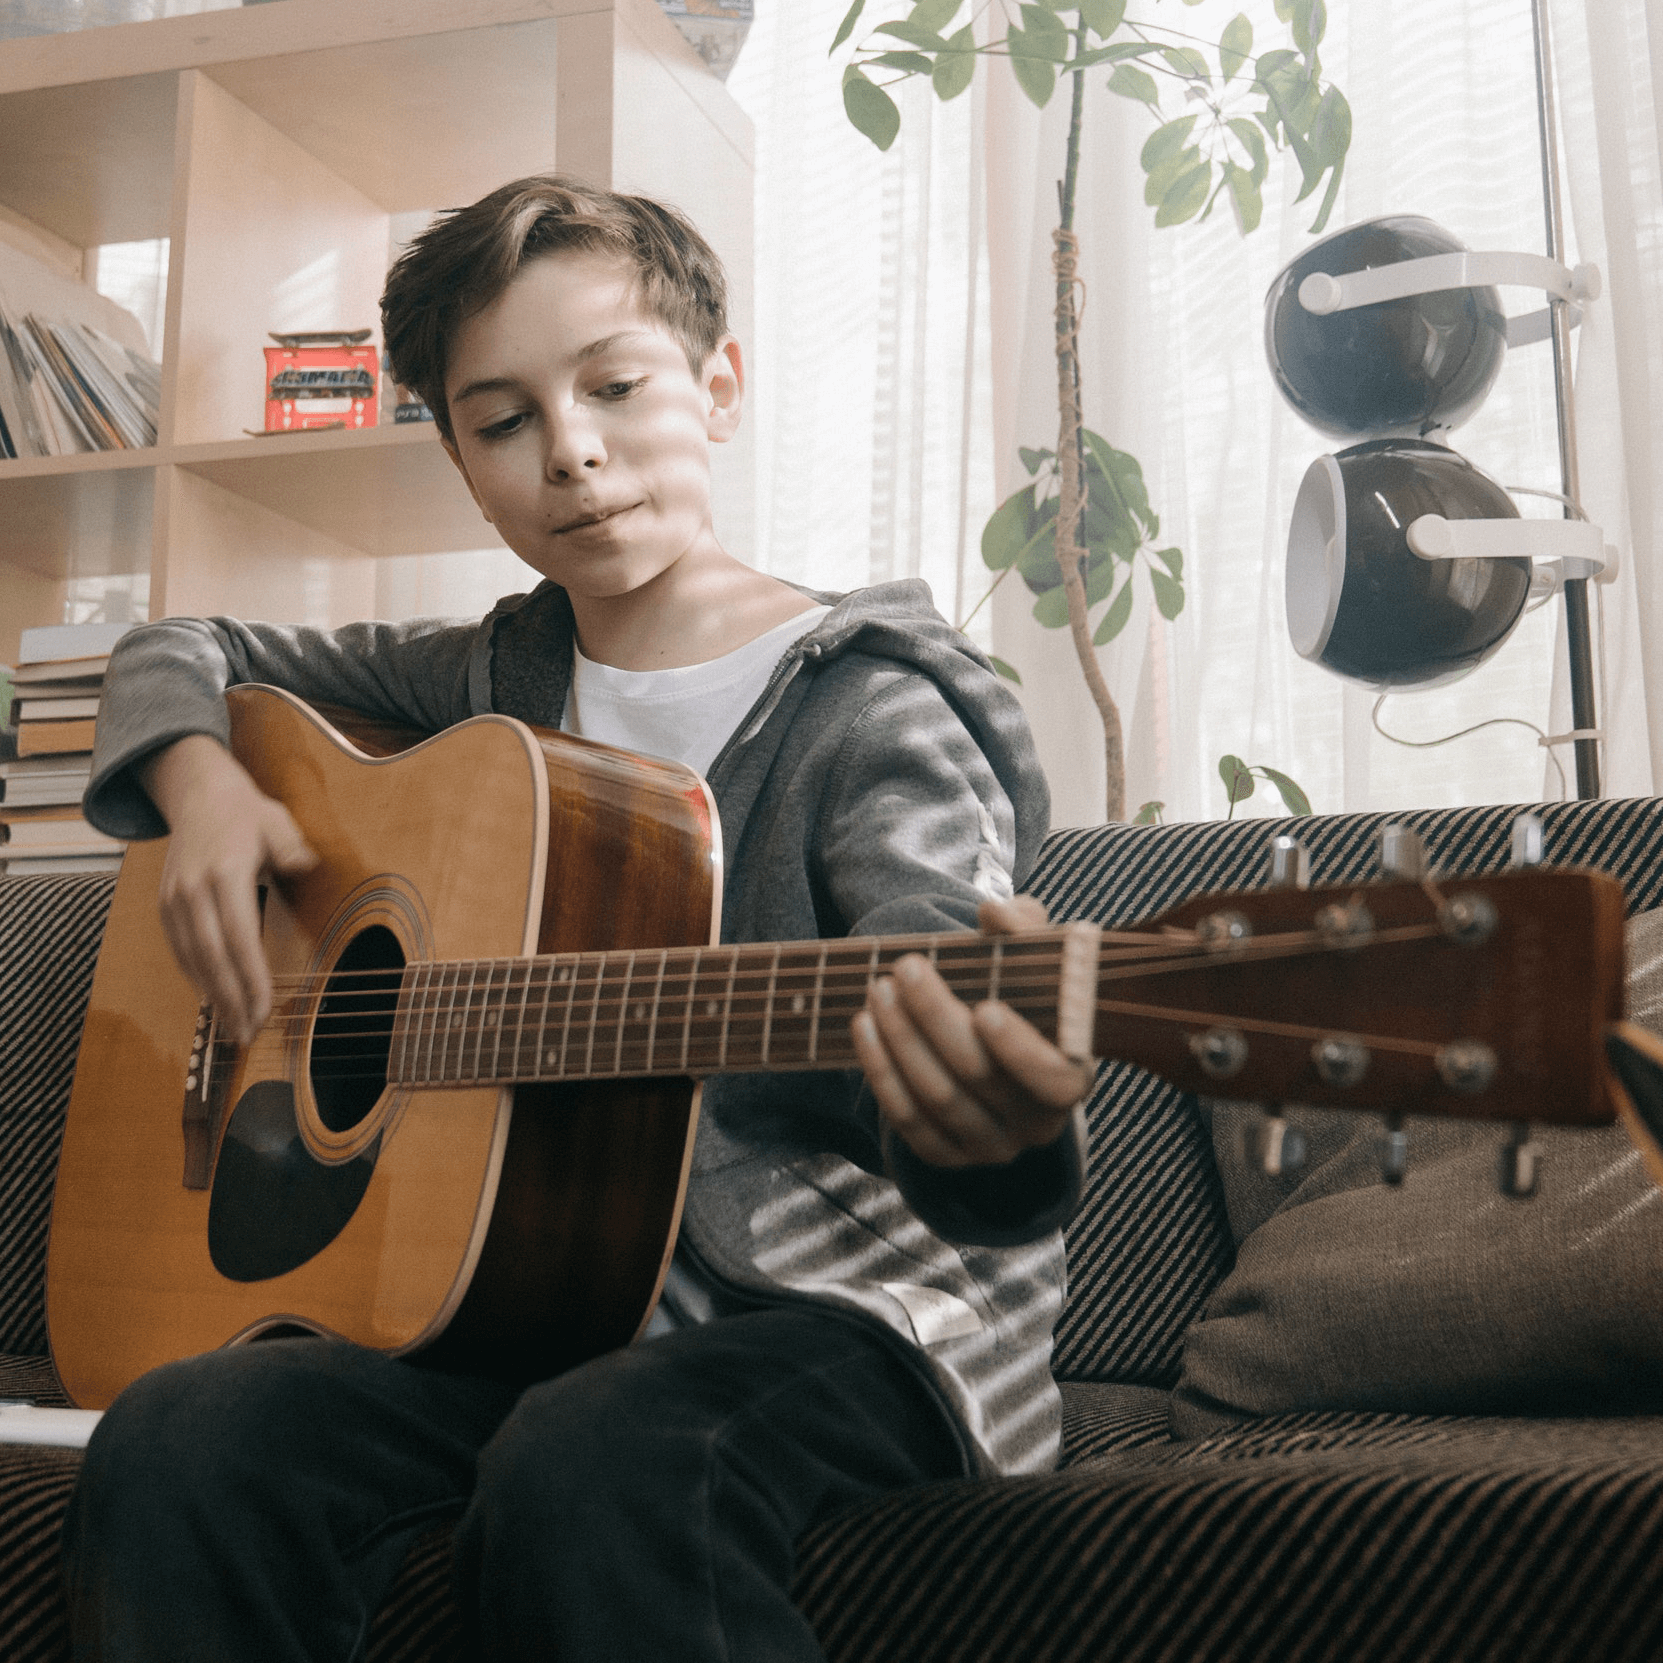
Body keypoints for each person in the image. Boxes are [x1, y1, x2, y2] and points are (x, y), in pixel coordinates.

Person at [62, 174, 1094, 1663]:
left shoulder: (875, 713)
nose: (573, 452)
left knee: (602, 1457)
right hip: (534, 1314)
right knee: (185, 1434)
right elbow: (184, 640)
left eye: (614, 385)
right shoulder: (494, 679)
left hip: (844, 1318)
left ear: (718, 385)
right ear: (460, 464)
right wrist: (202, 784)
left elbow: (948, 1034)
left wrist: (985, 1116)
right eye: (502, 420)